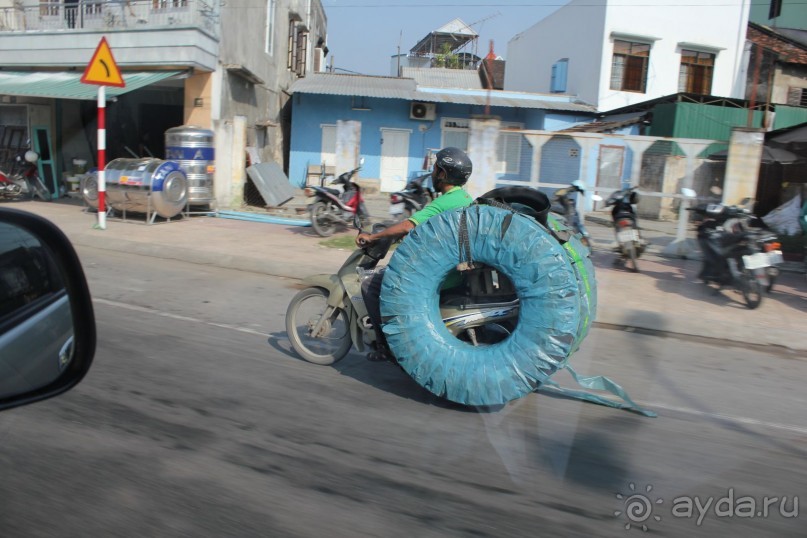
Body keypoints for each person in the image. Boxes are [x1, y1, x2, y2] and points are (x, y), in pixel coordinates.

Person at [356, 147, 474, 362]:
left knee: (371, 285)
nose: (433, 173)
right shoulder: (465, 198)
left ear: (443, 174)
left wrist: (374, 237)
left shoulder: (444, 202)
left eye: (436, 168)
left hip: (439, 276)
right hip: (454, 271)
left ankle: (386, 345)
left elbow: (409, 225)